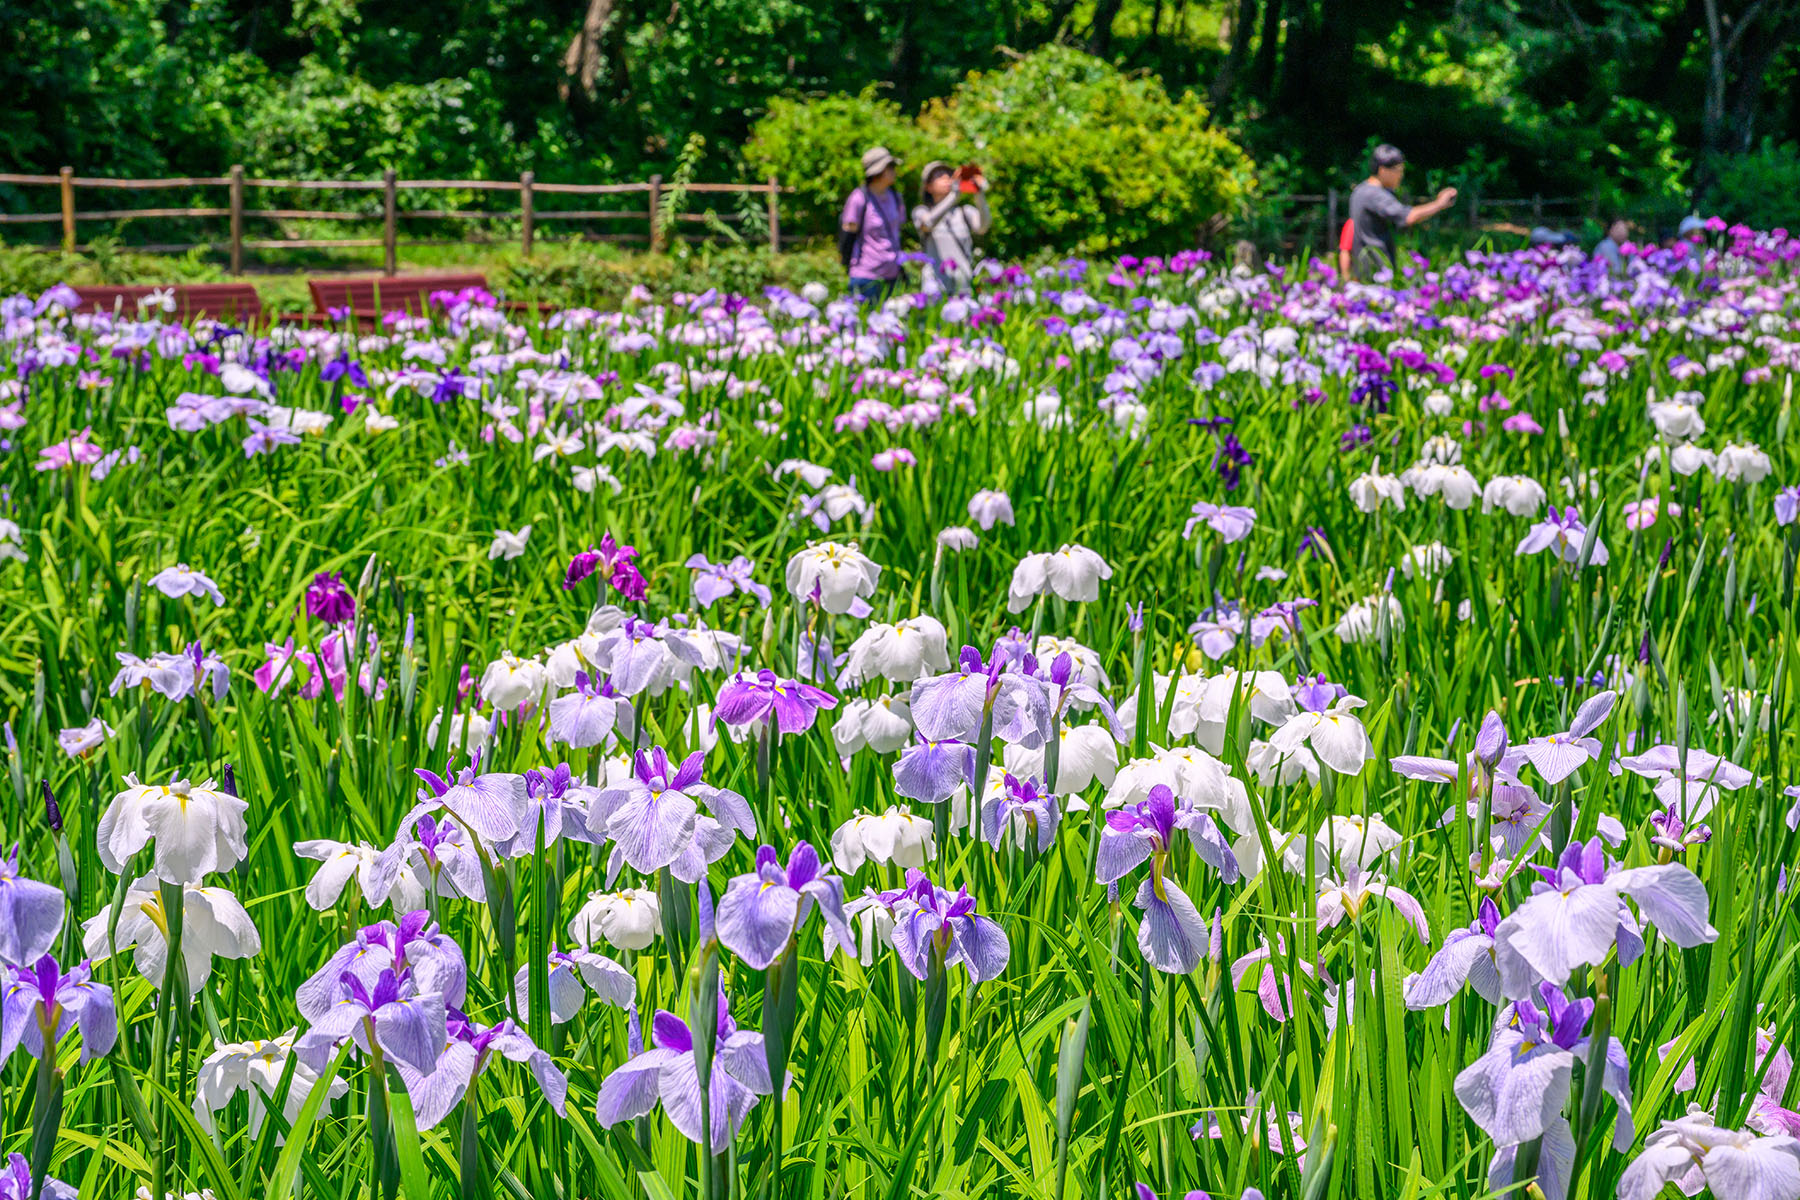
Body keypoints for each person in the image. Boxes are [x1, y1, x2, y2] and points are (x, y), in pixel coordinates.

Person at [1346, 144, 1458, 280]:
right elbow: (1408, 217)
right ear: (1382, 170)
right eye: (1398, 170)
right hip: (1378, 272)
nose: (1401, 175)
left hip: (1364, 269)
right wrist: (1439, 204)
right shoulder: (1375, 194)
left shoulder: (1360, 191)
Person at [840, 147, 906, 303]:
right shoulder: (859, 198)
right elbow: (848, 236)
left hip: (892, 273)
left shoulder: (896, 198)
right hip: (866, 273)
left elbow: (898, 232)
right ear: (878, 171)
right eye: (890, 167)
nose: (894, 171)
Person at [912, 162, 990, 295]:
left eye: (949, 175)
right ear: (928, 187)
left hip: (963, 288)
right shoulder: (921, 212)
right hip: (935, 289)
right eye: (939, 176)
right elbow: (928, 224)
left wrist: (979, 194)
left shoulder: (965, 212)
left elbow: (983, 227)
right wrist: (954, 196)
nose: (946, 178)